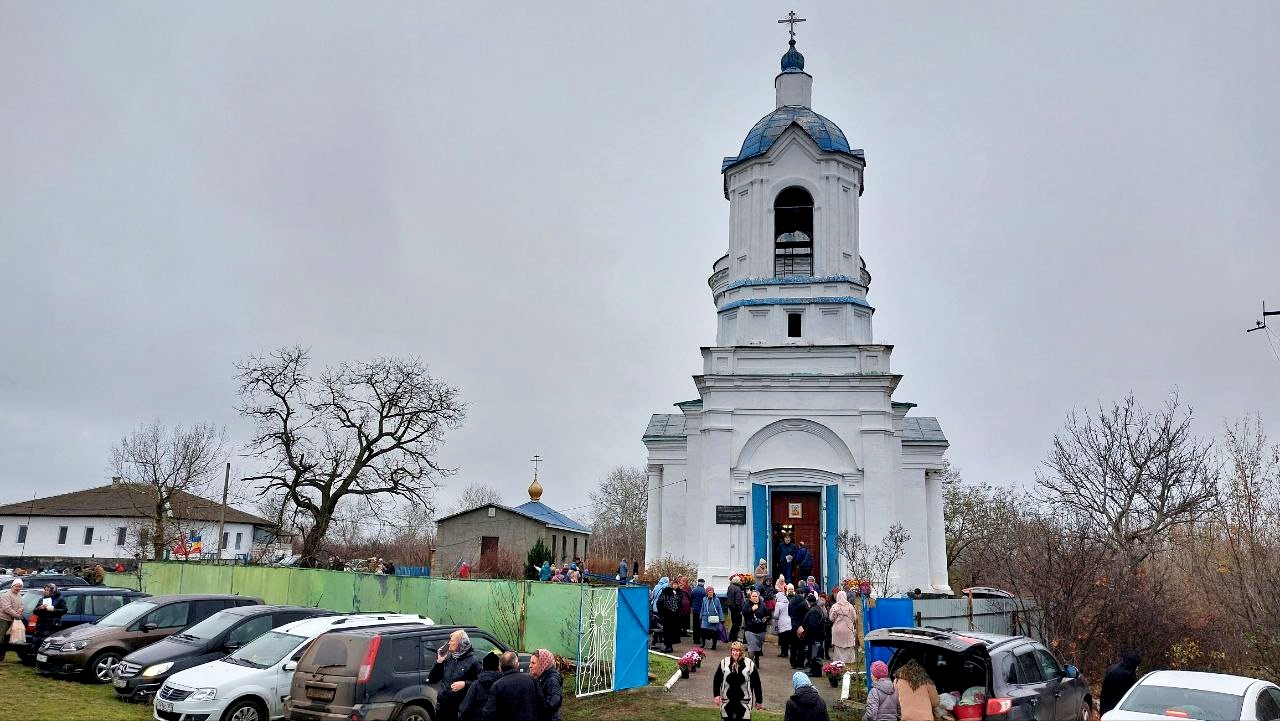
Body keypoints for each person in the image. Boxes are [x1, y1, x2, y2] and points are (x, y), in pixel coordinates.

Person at [426, 629, 482, 721]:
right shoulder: (448, 658)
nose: (449, 643)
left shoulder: (473, 661)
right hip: (442, 709)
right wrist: (439, 661)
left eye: (452, 641)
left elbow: (481, 684)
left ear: (461, 643)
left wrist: (465, 684)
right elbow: (432, 679)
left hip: (460, 711)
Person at [713, 641, 764, 720]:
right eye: (733, 650)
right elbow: (717, 679)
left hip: (743, 702)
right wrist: (716, 695)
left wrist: (759, 701)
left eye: (737, 651)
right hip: (728, 701)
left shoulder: (749, 664)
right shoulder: (724, 662)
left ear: (741, 652)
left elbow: (756, 683)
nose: (735, 653)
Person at [483, 651, 539, 721]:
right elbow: (541, 704)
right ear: (517, 665)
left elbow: (488, 714)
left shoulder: (497, 686)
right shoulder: (531, 680)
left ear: (500, 667)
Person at [458, 651, 501, 721]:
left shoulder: (476, 684)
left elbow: (465, 707)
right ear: (498, 667)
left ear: (483, 666)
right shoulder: (502, 683)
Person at [1100, 651, 1142, 715]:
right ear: (1133, 664)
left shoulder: (1113, 668)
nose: (1137, 668)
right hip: (1116, 706)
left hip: (1106, 704)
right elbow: (1128, 693)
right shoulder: (1126, 674)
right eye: (1137, 665)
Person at [530, 648, 563, 721]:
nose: (530, 666)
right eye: (530, 663)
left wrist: (535, 704)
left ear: (543, 663)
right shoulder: (541, 676)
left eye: (533, 663)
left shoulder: (552, 680)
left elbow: (553, 703)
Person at [828, 590, 858, 663]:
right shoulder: (850, 606)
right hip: (848, 629)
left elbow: (831, 618)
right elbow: (854, 618)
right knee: (848, 645)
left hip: (838, 630)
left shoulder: (835, 607)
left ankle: (839, 660)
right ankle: (849, 660)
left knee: (838, 647)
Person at [742, 589, 770, 665]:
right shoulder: (747, 604)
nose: (754, 597)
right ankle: (750, 663)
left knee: (757, 647)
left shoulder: (763, 605)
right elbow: (744, 613)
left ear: (758, 597)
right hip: (750, 629)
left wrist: (765, 620)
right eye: (753, 596)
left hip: (760, 629)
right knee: (751, 646)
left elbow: (768, 615)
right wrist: (751, 609)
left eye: (756, 596)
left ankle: (757, 659)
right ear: (750, 597)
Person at [800, 594, 826, 676]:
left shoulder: (813, 611)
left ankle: (816, 672)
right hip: (818, 636)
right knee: (815, 654)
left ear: (808, 602)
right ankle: (814, 671)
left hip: (815, 637)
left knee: (815, 655)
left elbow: (813, 626)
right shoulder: (817, 608)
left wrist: (809, 635)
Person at [0, 580, 23, 662]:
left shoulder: (19, 595)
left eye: (20, 586)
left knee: (7, 639)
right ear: (12, 586)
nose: (18, 588)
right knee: (1, 638)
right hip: (3, 619)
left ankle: (2, 655)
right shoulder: (6, 595)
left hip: (12, 620)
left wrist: (21, 609)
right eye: (16, 586)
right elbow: (7, 608)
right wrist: (17, 615)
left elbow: (21, 605)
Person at [787, 588, 809, 669]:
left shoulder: (791, 601)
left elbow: (789, 613)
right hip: (801, 626)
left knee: (793, 645)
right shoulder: (804, 603)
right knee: (801, 646)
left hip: (793, 625)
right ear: (803, 594)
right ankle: (800, 664)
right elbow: (806, 615)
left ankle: (793, 662)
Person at [658, 581, 682, 653]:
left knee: (673, 631)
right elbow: (659, 602)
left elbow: (680, 602)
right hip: (667, 614)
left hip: (675, 615)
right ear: (671, 585)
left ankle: (670, 647)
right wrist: (662, 613)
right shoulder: (666, 591)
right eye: (674, 584)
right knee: (667, 631)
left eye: (676, 584)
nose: (675, 585)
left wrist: (675, 595)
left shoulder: (679, 592)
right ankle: (668, 646)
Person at [772, 581, 793, 659]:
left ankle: (783, 653)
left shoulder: (778, 604)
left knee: (783, 639)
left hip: (782, 622)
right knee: (788, 638)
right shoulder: (789, 602)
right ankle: (788, 652)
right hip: (789, 621)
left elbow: (776, 615)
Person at [700, 585, 725, 650]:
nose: (711, 593)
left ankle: (714, 645)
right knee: (703, 631)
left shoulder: (717, 600)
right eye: (709, 592)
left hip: (714, 618)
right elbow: (702, 608)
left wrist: (721, 618)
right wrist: (700, 616)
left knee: (714, 633)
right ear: (707, 592)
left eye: (712, 592)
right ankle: (703, 644)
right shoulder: (704, 599)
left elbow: (719, 609)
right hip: (705, 618)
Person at [726, 575, 746, 643]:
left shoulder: (730, 587)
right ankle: (734, 638)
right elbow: (738, 600)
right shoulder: (737, 589)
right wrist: (740, 608)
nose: (740, 582)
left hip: (731, 607)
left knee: (734, 623)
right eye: (740, 580)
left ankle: (730, 637)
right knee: (737, 624)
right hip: (737, 609)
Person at [691, 577, 706, 647]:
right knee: (700, 625)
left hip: (695, 609)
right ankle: (699, 639)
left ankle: (695, 639)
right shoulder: (704, 591)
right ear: (703, 583)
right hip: (701, 610)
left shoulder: (694, 590)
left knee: (695, 624)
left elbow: (691, 598)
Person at [677, 576, 692, 640]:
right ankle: (684, 632)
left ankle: (680, 632)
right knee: (685, 619)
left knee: (680, 619)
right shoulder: (688, 587)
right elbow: (690, 596)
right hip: (686, 605)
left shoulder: (679, 587)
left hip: (680, 605)